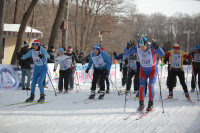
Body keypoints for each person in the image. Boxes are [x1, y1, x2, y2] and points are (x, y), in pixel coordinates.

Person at [130, 37, 165, 112]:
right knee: (142, 86)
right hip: (143, 70)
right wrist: (128, 48)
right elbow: (128, 52)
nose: (141, 48)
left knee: (150, 85)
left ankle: (150, 103)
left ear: (146, 44)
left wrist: (158, 47)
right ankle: (141, 104)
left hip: (152, 70)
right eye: (140, 46)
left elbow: (162, 54)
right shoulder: (137, 47)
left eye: (143, 46)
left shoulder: (152, 46)